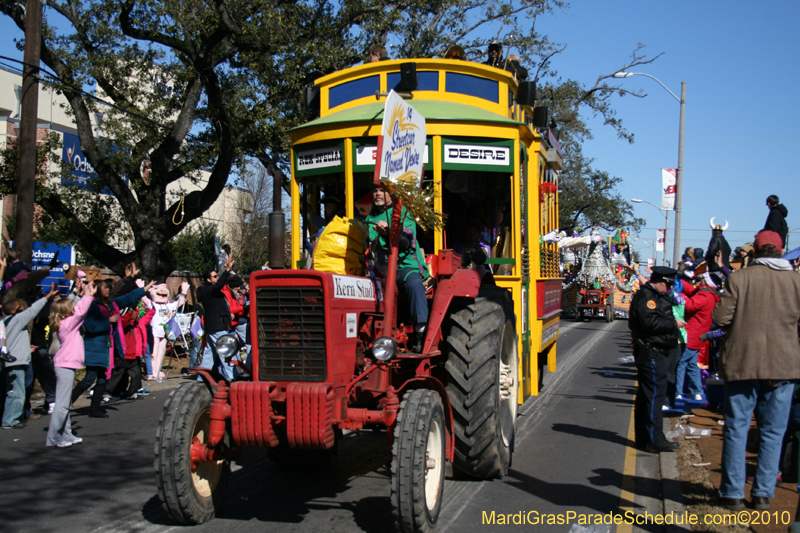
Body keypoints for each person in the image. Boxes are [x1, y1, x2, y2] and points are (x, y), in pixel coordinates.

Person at [712, 230, 800, 512]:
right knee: (774, 432)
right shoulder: (796, 282)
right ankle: (762, 494)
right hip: (783, 366)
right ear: (781, 250)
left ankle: (732, 494)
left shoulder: (739, 279)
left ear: (755, 252)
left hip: (743, 363)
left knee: (737, 428)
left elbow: (721, 318)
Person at [628, 266, 686, 453]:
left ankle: (645, 438)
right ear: (661, 282)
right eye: (668, 286)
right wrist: (673, 324)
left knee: (648, 396)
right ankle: (655, 439)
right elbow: (650, 322)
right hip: (652, 351)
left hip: (653, 349)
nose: (668, 290)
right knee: (654, 396)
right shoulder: (648, 297)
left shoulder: (651, 294)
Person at [72, 278, 149, 418]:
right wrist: (107, 321)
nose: (108, 289)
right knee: (90, 378)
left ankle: (95, 408)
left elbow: (128, 298)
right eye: (105, 287)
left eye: (109, 287)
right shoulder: (92, 305)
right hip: (94, 346)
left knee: (102, 378)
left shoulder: (110, 304)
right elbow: (90, 326)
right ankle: (68, 403)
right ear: (97, 289)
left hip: (105, 346)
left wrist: (144, 289)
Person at [365, 186, 430, 351]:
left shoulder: (402, 213)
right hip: (378, 271)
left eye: (381, 190)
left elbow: (406, 242)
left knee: (414, 283)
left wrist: (388, 232)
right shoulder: (368, 218)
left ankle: (421, 334)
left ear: (391, 193)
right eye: (375, 191)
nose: (377, 193)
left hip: (403, 267)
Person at [45, 281, 96, 447]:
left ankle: (66, 435)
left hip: (64, 365)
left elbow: (78, 310)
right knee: (62, 405)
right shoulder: (67, 324)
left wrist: (83, 294)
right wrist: (88, 295)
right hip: (64, 365)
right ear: (65, 311)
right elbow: (80, 312)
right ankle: (54, 438)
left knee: (64, 403)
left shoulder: (64, 323)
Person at [2, 283, 59, 428]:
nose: (23, 307)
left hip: (15, 359)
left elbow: (13, 342)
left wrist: (27, 349)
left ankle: (13, 418)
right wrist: (47, 297)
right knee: (16, 393)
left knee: (14, 391)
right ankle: (10, 421)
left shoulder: (7, 322)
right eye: (19, 306)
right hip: (16, 362)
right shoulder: (17, 320)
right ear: (14, 310)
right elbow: (33, 311)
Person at [675, 272, 720, 403]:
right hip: (700, 334)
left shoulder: (705, 296)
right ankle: (697, 392)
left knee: (681, 363)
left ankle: (677, 392)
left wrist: (680, 294)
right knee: (692, 364)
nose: (700, 282)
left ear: (707, 282)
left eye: (702, 280)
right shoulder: (712, 296)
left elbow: (688, 307)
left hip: (692, 334)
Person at [197, 255, 237, 380]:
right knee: (225, 351)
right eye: (215, 276)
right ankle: (230, 377)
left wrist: (227, 313)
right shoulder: (206, 290)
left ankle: (202, 377)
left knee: (209, 353)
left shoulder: (214, 291)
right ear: (208, 280)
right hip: (217, 326)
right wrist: (226, 271)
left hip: (216, 325)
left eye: (217, 275)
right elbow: (218, 285)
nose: (217, 277)